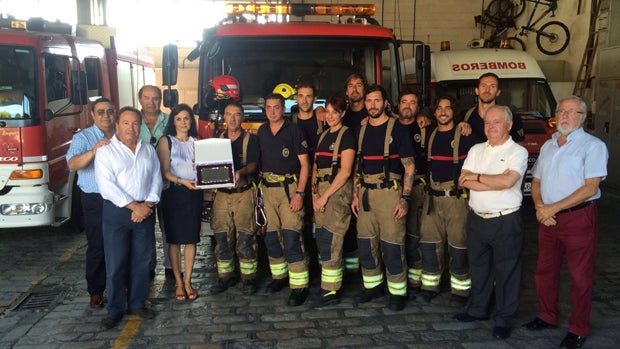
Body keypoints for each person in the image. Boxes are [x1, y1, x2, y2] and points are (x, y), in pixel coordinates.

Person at [523, 96, 608, 349]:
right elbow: (536, 181)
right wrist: (540, 208)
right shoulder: (549, 145)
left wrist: (553, 208)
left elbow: (590, 187)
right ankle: (547, 315)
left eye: (571, 112)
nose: (564, 115)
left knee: (581, 276)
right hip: (547, 220)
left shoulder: (593, 146)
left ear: (582, 117)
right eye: (561, 111)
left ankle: (578, 328)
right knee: (544, 271)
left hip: (578, 218)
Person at [455, 105, 528, 340]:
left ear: (509, 125)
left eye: (497, 122)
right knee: (479, 267)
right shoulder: (476, 149)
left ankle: (504, 318)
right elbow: (462, 181)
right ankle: (478, 309)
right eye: (487, 122)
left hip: (505, 220)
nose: (491, 126)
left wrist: (477, 177)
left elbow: (508, 181)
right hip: (477, 218)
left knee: (507, 271)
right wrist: (488, 180)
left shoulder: (518, 152)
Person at [95, 106, 162, 330]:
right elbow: (107, 186)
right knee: (116, 263)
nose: (131, 128)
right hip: (117, 212)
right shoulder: (106, 152)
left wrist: (147, 204)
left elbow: (156, 178)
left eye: (135, 123)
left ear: (140, 126)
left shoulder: (148, 150)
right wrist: (134, 206)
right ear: (117, 125)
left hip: (145, 210)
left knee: (142, 261)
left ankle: (137, 303)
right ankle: (114, 309)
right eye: (126, 123)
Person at [351, 84, 415, 311]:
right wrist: (355, 195)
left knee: (392, 244)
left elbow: (409, 167)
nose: (372, 105)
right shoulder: (361, 130)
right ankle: (373, 286)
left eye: (377, 101)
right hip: (366, 193)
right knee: (367, 244)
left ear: (386, 103)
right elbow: (358, 167)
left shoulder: (397, 128)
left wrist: (405, 198)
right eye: (369, 101)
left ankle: (397, 292)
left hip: (390, 193)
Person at [418, 95, 476, 304]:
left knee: (459, 244)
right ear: (434, 112)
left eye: (448, 108)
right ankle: (430, 285)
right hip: (432, 198)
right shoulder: (429, 134)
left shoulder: (465, 134)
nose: (443, 112)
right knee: (429, 243)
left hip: (456, 200)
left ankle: (460, 290)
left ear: (455, 111)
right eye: (439, 108)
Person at [257, 93, 311, 306]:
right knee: (271, 238)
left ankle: (299, 286)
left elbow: (305, 165)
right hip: (267, 190)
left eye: (276, 107)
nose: (272, 111)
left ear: (283, 109)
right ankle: (279, 277)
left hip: (289, 190)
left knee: (291, 238)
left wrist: (300, 193)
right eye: (269, 107)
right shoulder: (261, 131)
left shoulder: (294, 131)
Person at [66, 97, 115, 309]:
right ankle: (96, 291)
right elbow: (72, 164)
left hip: (120, 198)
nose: (106, 115)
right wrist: (93, 151)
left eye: (110, 111)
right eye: (101, 112)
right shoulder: (83, 137)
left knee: (120, 243)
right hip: (95, 198)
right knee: (97, 245)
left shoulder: (122, 135)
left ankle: (120, 285)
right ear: (93, 115)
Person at [210, 102, 260, 295]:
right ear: (224, 116)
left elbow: (253, 166)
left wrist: (240, 172)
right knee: (222, 236)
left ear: (242, 117)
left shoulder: (251, 140)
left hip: (243, 193)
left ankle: (248, 279)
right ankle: (225, 277)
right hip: (222, 195)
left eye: (237, 114)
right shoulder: (217, 140)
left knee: (246, 237)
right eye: (229, 114)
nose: (232, 118)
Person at [311, 94, 355, 307]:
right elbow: (315, 167)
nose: (330, 116)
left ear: (342, 114)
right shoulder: (323, 136)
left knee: (332, 240)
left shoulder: (347, 135)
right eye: (327, 112)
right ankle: (326, 284)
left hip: (336, 193)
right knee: (322, 239)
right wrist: (314, 195)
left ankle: (331, 291)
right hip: (320, 192)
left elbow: (345, 172)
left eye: (334, 112)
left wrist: (324, 197)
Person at [156, 104, 202, 301]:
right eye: (179, 119)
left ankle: (189, 280)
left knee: (191, 239)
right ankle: (178, 281)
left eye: (187, 118)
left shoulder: (197, 142)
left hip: (194, 195)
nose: (183, 122)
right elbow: (164, 171)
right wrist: (182, 181)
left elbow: (204, 169)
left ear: (191, 121)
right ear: (172, 121)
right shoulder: (166, 142)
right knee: (174, 240)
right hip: (173, 194)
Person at [137, 85, 172, 280]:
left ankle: (170, 265)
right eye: (147, 98)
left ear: (161, 99)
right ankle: (148, 266)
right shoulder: (133, 122)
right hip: (142, 185)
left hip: (167, 182)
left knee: (168, 225)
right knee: (145, 228)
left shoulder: (169, 121)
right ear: (140, 99)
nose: (152, 102)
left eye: (156, 98)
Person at [459, 72, 524, 143]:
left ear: (498, 92)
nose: (487, 90)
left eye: (492, 86)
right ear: (477, 91)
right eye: (483, 86)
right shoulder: (463, 117)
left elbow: (519, 146)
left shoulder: (511, 117)